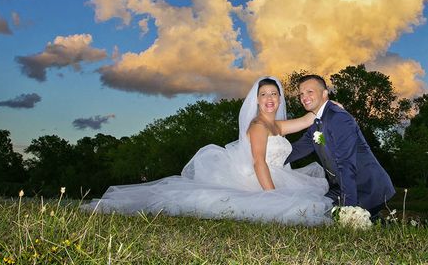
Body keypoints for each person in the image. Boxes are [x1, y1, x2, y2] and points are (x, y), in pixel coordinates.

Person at [82, 77, 333, 225]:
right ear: (256, 100)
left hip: (273, 175)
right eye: (264, 94)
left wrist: (326, 103)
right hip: (259, 179)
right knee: (296, 207)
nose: (269, 98)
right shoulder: (258, 125)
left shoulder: (275, 124)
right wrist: (273, 197)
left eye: (274, 94)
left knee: (307, 202)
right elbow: (259, 164)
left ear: (280, 99)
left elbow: (307, 119)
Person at [286, 74, 395, 218]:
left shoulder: (338, 117)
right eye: (301, 94)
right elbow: (297, 150)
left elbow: (346, 163)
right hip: (341, 187)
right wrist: (269, 160)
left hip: (367, 187)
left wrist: (349, 209)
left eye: (309, 92)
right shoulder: (316, 124)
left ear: (325, 93)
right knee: (312, 210)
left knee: (347, 222)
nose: (304, 97)